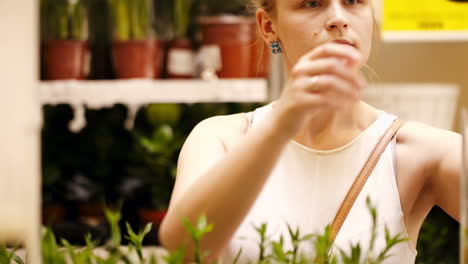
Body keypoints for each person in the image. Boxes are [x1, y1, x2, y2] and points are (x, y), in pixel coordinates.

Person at [158, 0, 461, 263]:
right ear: (267, 26)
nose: (338, 18)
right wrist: (280, 126)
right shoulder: (221, 138)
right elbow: (183, 248)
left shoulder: (422, 152)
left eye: (354, 0)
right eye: (312, 3)